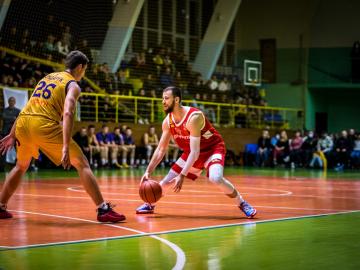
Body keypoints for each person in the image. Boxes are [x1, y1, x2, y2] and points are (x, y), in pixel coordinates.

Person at [0, 51, 125, 222]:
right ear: (80, 67)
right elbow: (67, 112)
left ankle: (1, 206)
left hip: (23, 123)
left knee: (20, 166)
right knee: (82, 163)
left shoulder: (47, 77)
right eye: (85, 70)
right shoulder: (73, 85)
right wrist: (65, 146)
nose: (84, 73)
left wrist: (12, 133)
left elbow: (27, 108)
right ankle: (103, 210)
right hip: (43, 126)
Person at [136, 86, 257, 218]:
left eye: (166, 98)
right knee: (165, 183)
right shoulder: (167, 122)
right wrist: (148, 171)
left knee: (215, 178)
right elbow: (161, 149)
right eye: (162, 99)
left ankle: (242, 203)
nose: (163, 102)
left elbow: (195, 152)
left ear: (176, 100)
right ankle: (150, 203)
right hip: (191, 152)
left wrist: (182, 175)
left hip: (212, 148)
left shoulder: (193, 117)